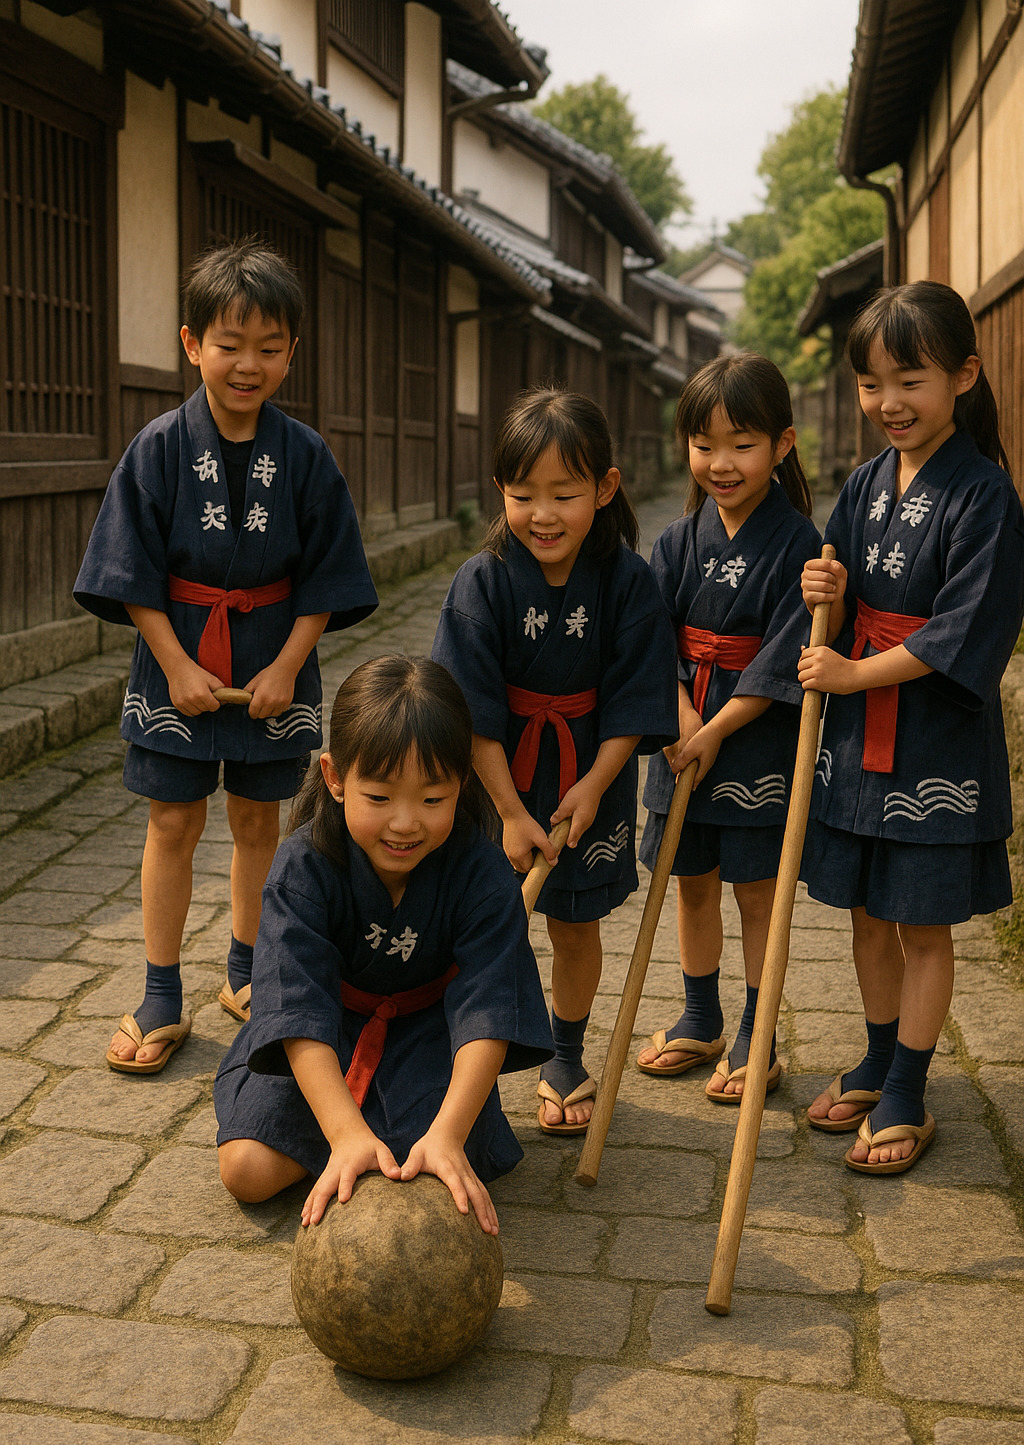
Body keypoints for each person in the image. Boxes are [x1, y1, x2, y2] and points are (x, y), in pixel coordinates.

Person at [74, 237, 376, 1073]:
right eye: (229, 344)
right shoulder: (159, 448)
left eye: (269, 348)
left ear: (291, 352)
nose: (248, 364)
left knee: (258, 821)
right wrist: (173, 664)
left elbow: (327, 579)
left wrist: (286, 666)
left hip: (273, 659)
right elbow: (130, 574)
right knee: (172, 819)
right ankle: (160, 990)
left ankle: (248, 970)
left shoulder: (307, 455)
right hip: (177, 655)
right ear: (190, 344)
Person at [798, 280, 1024, 1173]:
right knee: (863, 908)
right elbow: (840, 574)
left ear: (964, 375)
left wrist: (855, 670)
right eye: (870, 384)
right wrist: (829, 590)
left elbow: (962, 631)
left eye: (911, 381)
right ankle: (879, 1049)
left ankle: (910, 1088)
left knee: (922, 922)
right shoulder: (863, 483)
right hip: (860, 743)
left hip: (933, 741)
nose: (887, 403)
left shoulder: (986, 498)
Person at [214, 656, 553, 1232]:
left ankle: (393, 1144)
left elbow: (488, 1009)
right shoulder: (302, 867)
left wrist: (447, 1135)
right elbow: (296, 1010)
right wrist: (345, 1134)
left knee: (433, 1170)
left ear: (461, 785)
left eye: (431, 798)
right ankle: (352, 1147)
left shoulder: (482, 871)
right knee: (247, 1170)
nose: (404, 823)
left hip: (431, 1040)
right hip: (324, 1037)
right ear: (334, 777)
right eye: (379, 798)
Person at [432, 387, 677, 1134]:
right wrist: (508, 811)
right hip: (496, 776)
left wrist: (597, 787)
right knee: (482, 926)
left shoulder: (630, 582)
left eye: (564, 494)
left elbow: (635, 704)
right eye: (523, 494)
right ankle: (458, 1062)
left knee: (573, 925)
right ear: (500, 490)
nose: (543, 514)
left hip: (589, 774)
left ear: (604, 488)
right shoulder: (481, 581)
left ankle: (565, 1055)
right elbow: (468, 713)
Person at [635, 355, 821, 1100]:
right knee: (689, 884)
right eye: (703, 444)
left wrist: (717, 728)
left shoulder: (800, 544)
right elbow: (654, 642)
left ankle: (756, 1031)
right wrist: (683, 718)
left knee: (756, 892)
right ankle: (699, 1014)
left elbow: (786, 654)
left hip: (754, 740)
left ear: (782, 445)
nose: (720, 463)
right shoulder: (676, 543)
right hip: (684, 734)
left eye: (741, 444)